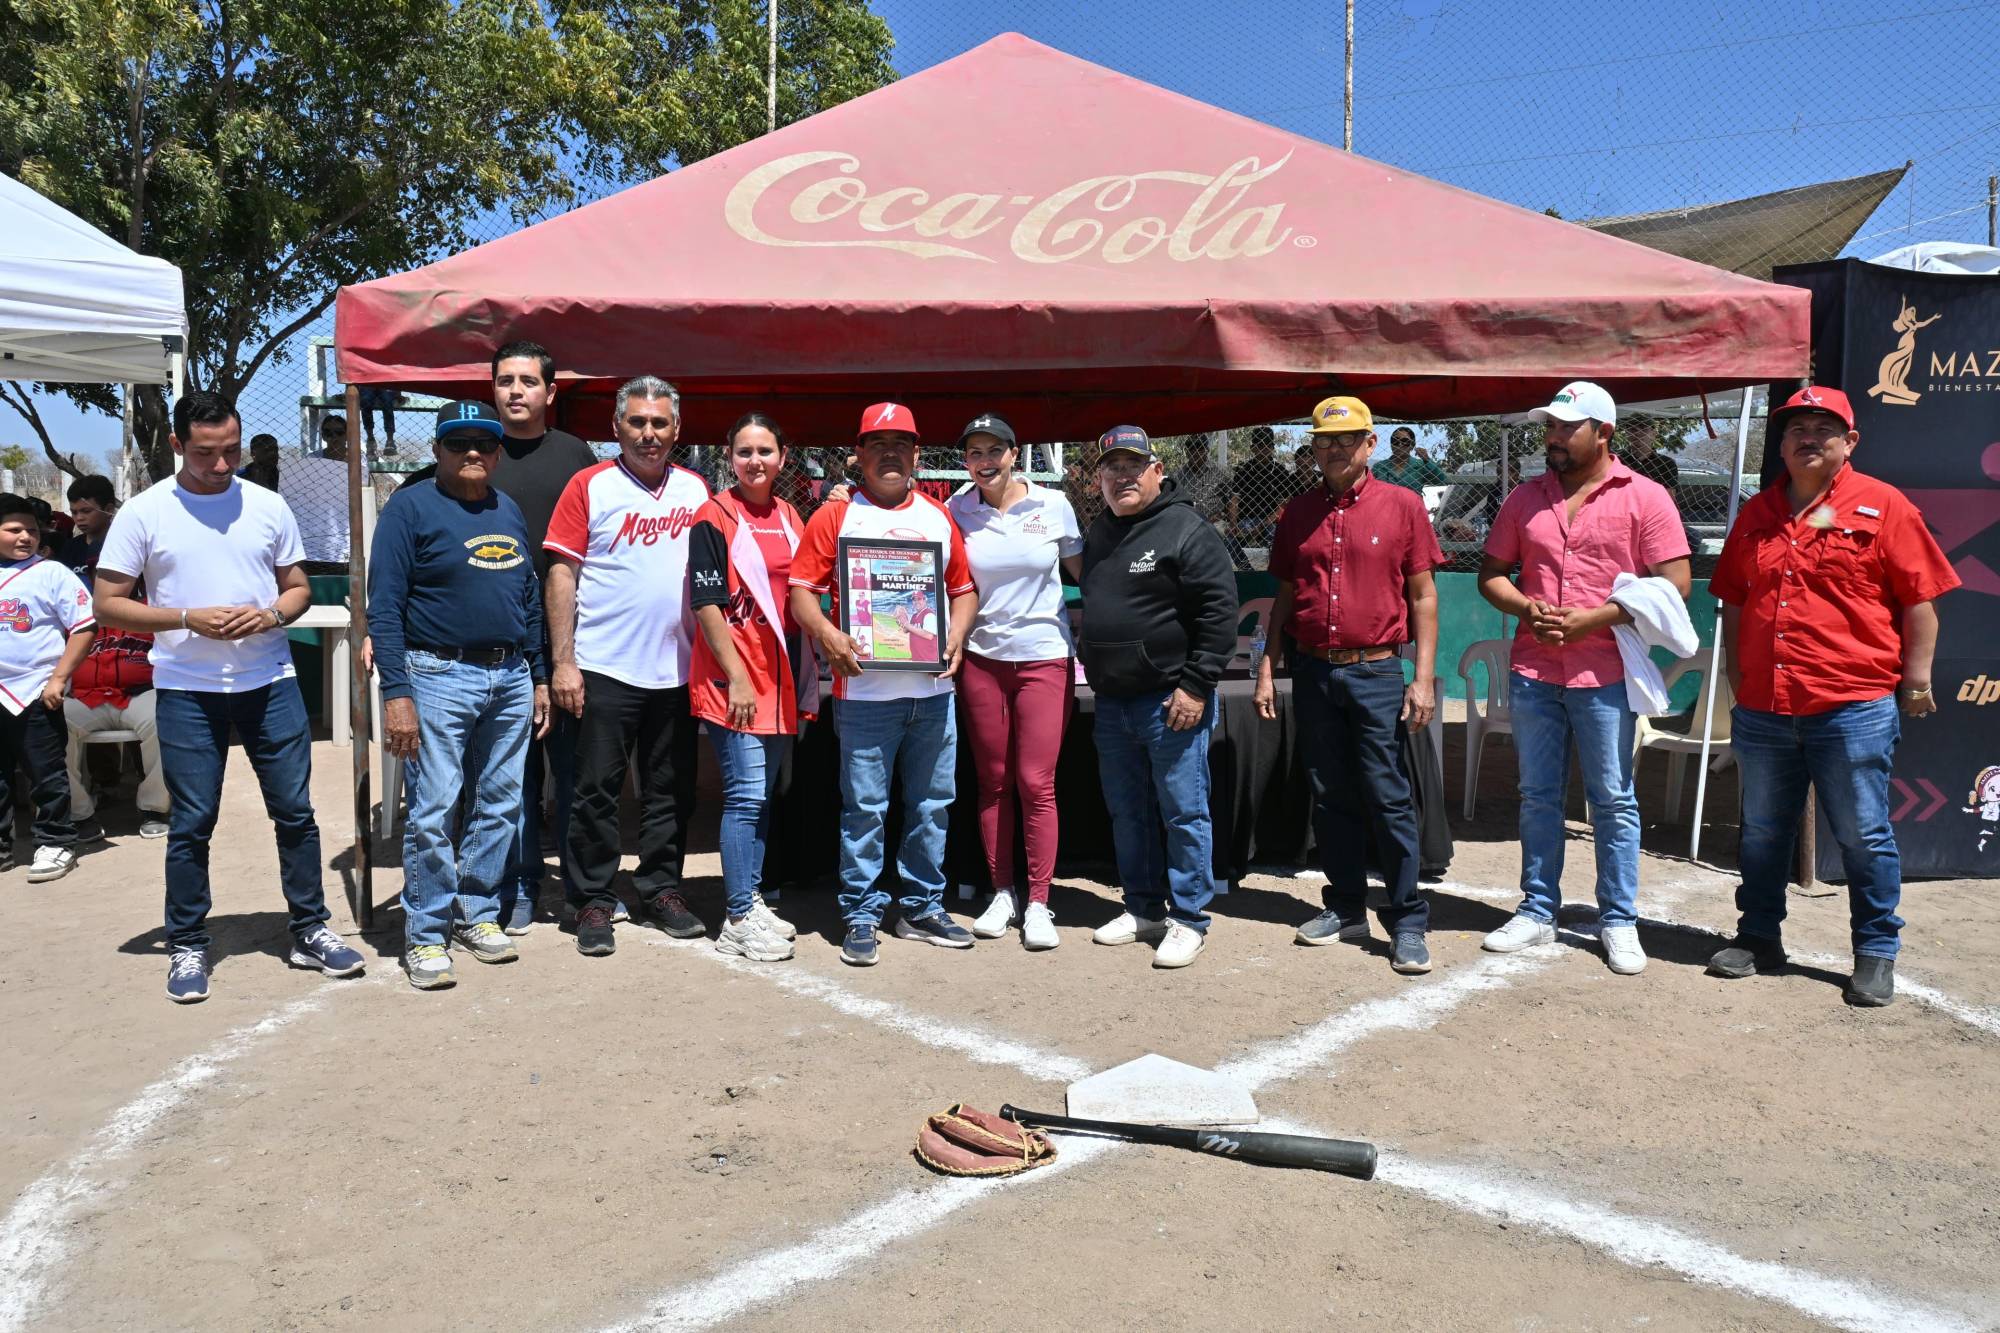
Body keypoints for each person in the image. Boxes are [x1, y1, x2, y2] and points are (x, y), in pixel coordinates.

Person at [94, 390, 365, 1004]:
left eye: (231, 451)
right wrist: (187, 617)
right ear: (176, 445)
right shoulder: (145, 512)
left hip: (270, 683)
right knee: (192, 821)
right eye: (205, 453)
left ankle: (309, 929)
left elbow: (295, 588)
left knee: (295, 813)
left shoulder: (268, 505)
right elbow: (108, 603)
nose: (221, 466)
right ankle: (188, 941)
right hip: (187, 689)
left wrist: (271, 616)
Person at [1706, 387, 1959, 1007]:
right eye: (1795, 428)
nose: (1807, 437)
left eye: (1825, 427)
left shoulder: (1883, 506)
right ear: (1782, 443)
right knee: (1764, 831)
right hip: (1766, 707)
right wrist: (1742, 688)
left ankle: (1875, 950)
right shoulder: (1756, 515)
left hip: (1851, 705)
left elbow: (1920, 602)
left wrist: (1917, 682)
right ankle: (1758, 936)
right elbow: (1734, 605)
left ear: (1850, 442)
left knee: (1863, 833)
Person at [1475, 382, 1689, 976]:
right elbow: (1491, 574)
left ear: (1604, 433)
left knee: (1612, 800)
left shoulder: (1645, 498)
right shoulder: (1525, 498)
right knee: (1537, 795)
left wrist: (1598, 617)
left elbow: (1676, 585)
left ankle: (1617, 919)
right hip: (1534, 671)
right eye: (1550, 427)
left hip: (1605, 673)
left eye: (1567, 427)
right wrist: (1525, 610)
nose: (1553, 437)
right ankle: (1538, 911)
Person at [389, 341, 599, 933]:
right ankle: (485, 900)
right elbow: (389, 589)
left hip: (539, 653)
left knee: (540, 781)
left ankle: (548, 900)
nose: (515, 390)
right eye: (504, 380)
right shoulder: (421, 494)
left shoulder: (561, 467)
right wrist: (388, 661)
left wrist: (547, 664)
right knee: (463, 798)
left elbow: (548, 578)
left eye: (527, 381)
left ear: (549, 392)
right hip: (450, 664)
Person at [1255, 397, 1442, 975]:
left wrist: (1425, 676)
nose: (1334, 449)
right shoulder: (1297, 512)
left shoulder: (1403, 505)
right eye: (1323, 441)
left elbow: (1424, 596)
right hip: (1312, 670)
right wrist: (1268, 663)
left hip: (1377, 671)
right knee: (1330, 793)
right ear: (1312, 448)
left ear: (1370, 445)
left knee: (1387, 794)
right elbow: (1285, 596)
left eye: (1346, 439)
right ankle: (1345, 906)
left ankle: (1407, 917)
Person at [789, 402, 979, 966]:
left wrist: (958, 636)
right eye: (878, 443)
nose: (890, 453)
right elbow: (802, 592)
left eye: (901, 443)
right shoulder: (836, 517)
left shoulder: (938, 516)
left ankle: (921, 908)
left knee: (931, 806)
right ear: (859, 454)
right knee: (865, 810)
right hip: (865, 694)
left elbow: (962, 590)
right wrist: (828, 634)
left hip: (933, 694)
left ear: (918, 454)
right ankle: (862, 913)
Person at [369, 401, 550, 990]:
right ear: (437, 449)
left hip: (510, 675)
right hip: (437, 673)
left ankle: (476, 912)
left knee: (500, 804)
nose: (472, 452)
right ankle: (425, 932)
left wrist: (539, 675)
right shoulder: (410, 507)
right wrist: (397, 694)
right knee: (435, 807)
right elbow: (385, 608)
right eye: (458, 442)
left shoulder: (509, 509)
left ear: (497, 451)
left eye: (484, 443)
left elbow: (527, 599)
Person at [545, 376, 710, 957]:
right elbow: (561, 574)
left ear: (676, 430)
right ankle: (591, 899)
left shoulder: (695, 489)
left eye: (659, 423)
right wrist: (563, 662)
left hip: (677, 669)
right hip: (604, 667)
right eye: (637, 422)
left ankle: (661, 889)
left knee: (670, 791)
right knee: (595, 792)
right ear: (617, 427)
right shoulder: (589, 485)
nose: (648, 433)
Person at [1079, 426, 1236, 969]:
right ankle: (1143, 907)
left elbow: (1219, 614)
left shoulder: (1187, 529)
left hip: (1170, 701)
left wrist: (1195, 686)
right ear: (1099, 477)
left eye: (1133, 466)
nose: (1122, 476)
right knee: (1128, 814)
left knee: (1183, 812)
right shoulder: (1098, 531)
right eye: (1112, 467)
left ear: (1157, 471)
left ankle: (1190, 918)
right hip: (1113, 703)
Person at [948, 412, 1083, 951]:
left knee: (1036, 782)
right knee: (994, 780)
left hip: (1044, 658)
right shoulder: (957, 509)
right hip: (981, 658)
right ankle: (1002, 893)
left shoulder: (1053, 505)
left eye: (993, 450)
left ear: (1013, 452)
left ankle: (1040, 902)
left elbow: (1086, 574)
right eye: (974, 453)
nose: (984, 461)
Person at [688, 413, 814, 963]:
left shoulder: (789, 515)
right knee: (743, 797)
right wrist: (737, 676)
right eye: (744, 451)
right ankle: (738, 916)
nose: (755, 461)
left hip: (780, 680)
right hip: (735, 681)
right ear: (729, 456)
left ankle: (752, 898)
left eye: (765, 451)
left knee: (761, 800)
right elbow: (706, 604)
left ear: (783, 457)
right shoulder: (713, 515)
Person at [59, 478, 169, 841]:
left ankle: (155, 808)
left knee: (166, 717)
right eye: (97, 574)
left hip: (138, 693)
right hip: (88, 697)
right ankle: (78, 814)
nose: (104, 580)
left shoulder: (152, 607)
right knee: (49, 727)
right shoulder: (75, 612)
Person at [0, 495, 93, 882]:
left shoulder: (51, 573)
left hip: (35, 689)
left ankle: (55, 842)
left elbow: (84, 627)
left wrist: (58, 678)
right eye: (14, 529)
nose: (26, 537)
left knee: (47, 773)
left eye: (32, 531)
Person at [1226, 426, 1302, 553]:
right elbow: (1234, 500)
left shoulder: (1279, 471)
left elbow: (1283, 505)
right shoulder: (1243, 470)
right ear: (1252, 448)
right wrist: (1233, 524)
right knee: (1229, 541)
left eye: (1267, 445)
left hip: (1270, 521)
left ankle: (1272, 571)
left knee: (1276, 538)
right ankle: (1245, 570)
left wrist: (1262, 525)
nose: (1263, 449)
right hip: (1246, 519)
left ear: (1272, 448)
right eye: (1259, 445)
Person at [59, 475, 117, 575]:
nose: (79, 518)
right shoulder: (70, 548)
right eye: (74, 512)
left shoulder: (125, 546)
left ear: (108, 510)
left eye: (86, 511)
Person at [1174, 433, 1230, 529]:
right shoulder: (1179, 475)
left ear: (1207, 450)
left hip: (1214, 521)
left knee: (1218, 529)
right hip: (1186, 520)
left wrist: (1220, 515)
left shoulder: (1220, 472)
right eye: (1191, 449)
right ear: (1186, 452)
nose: (1195, 452)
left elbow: (1231, 500)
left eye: (1200, 449)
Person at [1372, 427, 1448, 493]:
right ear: (1391, 445)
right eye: (1395, 441)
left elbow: (1441, 480)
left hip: (1412, 508)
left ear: (1412, 445)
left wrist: (1427, 460)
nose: (1400, 444)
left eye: (1405, 441)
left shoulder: (1420, 465)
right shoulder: (1379, 467)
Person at [1617, 417, 1680, 494]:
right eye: (1633, 429)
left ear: (1654, 434)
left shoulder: (1667, 463)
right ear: (1627, 433)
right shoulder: (1616, 460)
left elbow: (1669, 497)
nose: (1638, 433)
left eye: (1643, 429)